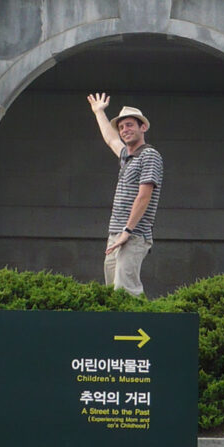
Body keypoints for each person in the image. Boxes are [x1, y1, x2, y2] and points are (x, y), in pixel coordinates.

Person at [86, 93, 163, 296]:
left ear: (142, 127)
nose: (124, 130)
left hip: (134, 235)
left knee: (126, 290)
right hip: (116, 234)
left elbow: (143, 197)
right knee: (113, 291)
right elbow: (110, 139)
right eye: (121, 127)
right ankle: (116, 329)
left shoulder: (149, 155)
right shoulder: (127, 157)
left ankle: (137, 328)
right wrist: (99, 112)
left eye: (129, 125)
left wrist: (127, 231)